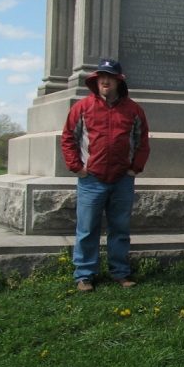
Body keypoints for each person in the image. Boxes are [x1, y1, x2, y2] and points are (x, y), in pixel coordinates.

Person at [61, 58, 150, 291]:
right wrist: (77, 167)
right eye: (101, 76)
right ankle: (84, 275)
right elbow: (68, 138)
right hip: (91, 179)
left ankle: (120, 272)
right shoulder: (82, 107)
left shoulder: (133, 110)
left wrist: (134, 169)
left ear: (119, 81)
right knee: (87, 228)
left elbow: (142, 143)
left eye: (109, 76)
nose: (105, 80)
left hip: (122, 179)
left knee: (119, 229)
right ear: (95, 80)